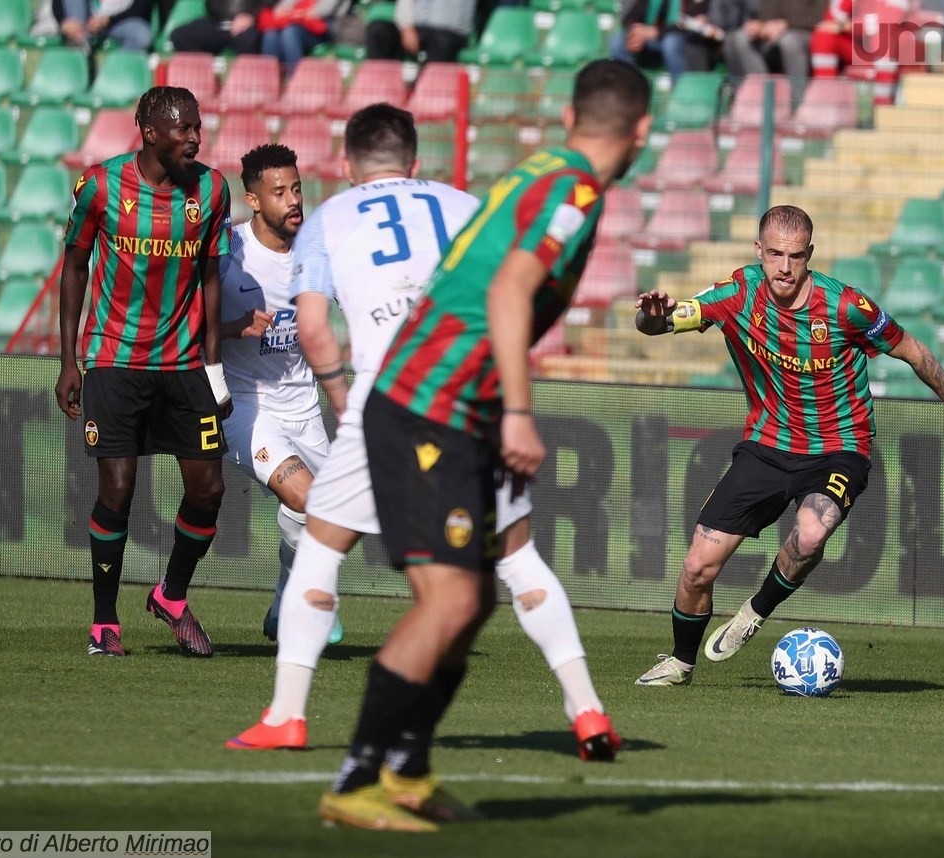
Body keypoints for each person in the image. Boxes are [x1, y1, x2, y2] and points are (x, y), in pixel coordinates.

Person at [228, 103, 623, 785]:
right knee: (515, 556)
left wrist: (348, 402)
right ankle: (586, 707)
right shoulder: (468, 205)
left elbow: (316, 327)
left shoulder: (329, 220)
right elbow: (515, 294)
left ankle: (287, 715)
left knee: (322, 547)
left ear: (350, 164)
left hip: (394, 394)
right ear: (414, 160)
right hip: (476, 390)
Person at [316, 61, 652, 833]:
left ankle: (407, 772)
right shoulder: (572, 192)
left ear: (575, 116)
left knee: (474, 604)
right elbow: (506, 290)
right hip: (427, 405)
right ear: (640, 130)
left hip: (450, 407)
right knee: (452, 600)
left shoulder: (544, 171)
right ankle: (355, 779)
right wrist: (519, 414)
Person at [633, 205, 944, 687]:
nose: (785, 267)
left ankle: (755, 611)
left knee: (810, 533)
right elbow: (662, 322)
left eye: (796, 256)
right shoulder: (737, 293)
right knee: (697, 566)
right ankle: (680, 663)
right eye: (776, 254)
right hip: (766, 446)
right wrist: (650, 316)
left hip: (840, 447)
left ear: (810, 255)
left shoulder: (846, 307)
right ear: (759, 251)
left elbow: (910, 348)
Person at [55, 86, 234, 658]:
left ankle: (171, 595)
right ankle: (104, 622)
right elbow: (75, 266)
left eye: (198, 128)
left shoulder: (212, 190)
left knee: (208, 489)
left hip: (183, 364)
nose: (195, 138)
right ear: (150, 131)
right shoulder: (101, 186)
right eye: (184, 128)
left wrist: (214, 365)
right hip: (114, 358)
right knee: (119, 487)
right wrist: (69, 360)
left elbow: (211, 278)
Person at [217, 143, 344, 646]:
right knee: (309, 499)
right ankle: (312, 607)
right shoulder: (228, 250)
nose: (293, 200)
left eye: (296, 189)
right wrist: (233, 327)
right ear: (252, 200)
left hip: (304, 405)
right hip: (247, 407)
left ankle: (283, 602)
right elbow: (187, 319)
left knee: (332, 516)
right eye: (279, 192)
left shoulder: (319, 252)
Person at [710, 0, 828, 104]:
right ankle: (759, 97)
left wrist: (787, 24)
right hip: (773, 35)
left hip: (806, 33)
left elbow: (821, 16)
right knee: (737, 38)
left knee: (789, 41)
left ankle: (797, 103)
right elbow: (765, 14)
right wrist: (760, 26)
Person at [611, 0, 721, 81]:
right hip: (653, 40)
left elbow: (693, 23)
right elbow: (632, 15)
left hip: (685, 42)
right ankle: (629, 88)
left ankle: (680, 93)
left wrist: (657, 32)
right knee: (618, 42)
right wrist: (635, 32)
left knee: (671, 43)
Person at [365, 0, 476, 64]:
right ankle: (381, 91)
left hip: (450, 31)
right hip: (417, 27)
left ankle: (424, 95)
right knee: (379, 31)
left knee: (441, 41)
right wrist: (407, 27)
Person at [258, 0, 340, 74]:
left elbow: (320, 12)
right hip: (296, 23)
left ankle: (294, 77)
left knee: (290, 32)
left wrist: (296, 13)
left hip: (320, 30)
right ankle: (268, 78)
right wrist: (286, 12)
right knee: (270, 35)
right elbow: (281, 9)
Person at [169, 0, 267, 56]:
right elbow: (211, 4)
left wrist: (251, 16)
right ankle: (205, 72)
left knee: (249, 40)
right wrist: (231, 20)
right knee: (179, 36)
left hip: (248, 25)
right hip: (219, 21)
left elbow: (270, 3)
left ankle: (242, 81)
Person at [55, 0, 155, 52]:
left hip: (118, 22)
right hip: (84, 22)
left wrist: (109, 19)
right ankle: (79, 52)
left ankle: (116, 71)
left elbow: (142, 6)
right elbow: (57, 3)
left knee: (142, 35)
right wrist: (63, 22)